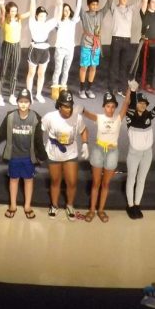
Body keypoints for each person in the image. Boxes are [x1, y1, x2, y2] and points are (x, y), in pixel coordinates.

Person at [0, 88, 46, 219]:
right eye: (21, 101)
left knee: (28, 180)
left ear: (30, 103)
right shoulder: (10, 116)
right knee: (13, 180)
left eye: (26, 102)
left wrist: (42, 155)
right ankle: (13, 205)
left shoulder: (35, 117)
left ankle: (27, 206)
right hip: (14, 156)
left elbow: (39, 139)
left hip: (29, 157)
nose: (23, 104)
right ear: (17, 102)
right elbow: (1, 133)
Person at [123, 80, 155, 219]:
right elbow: (130, 105)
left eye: (145, 104)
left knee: (141, 179)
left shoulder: (149, 116)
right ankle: (130, 206)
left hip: (147, 153)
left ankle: (137, 205)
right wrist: (132, 92)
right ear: (136, 104)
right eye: (140, 103)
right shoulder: (130, 115)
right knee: (131, 178)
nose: (142, 105)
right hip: (134, 154)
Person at [41, 90, 89, 220]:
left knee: (72, 182)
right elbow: (40, 130)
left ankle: (70, 205)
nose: (69, 109)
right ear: (59, 106)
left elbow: (83, 130)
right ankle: (54, 205)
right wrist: (39, 148)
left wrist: (85, 143)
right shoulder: (50, 117)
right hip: (54, 152)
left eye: (70, 106)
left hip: (70, 152)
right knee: (55, 181)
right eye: (66, 106)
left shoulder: (77, 117)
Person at [82, 92, 125, 222]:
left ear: (115, 107)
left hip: (112, 151)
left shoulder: (118, 118)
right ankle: (91, 209)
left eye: (113, 106)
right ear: (103, 107)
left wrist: (130, 90)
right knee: (96, 183)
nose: (110, 109)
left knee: (106, 183)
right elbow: (87, 114)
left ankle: (100, 210)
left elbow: (126, 104)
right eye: (108, 106)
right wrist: (81, 109)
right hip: (98, 150)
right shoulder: (99, 117)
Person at [78, 0, 114, 99]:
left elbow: (108, 5)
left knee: (93, 67)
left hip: (97, 44)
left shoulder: (100, 14)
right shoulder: (84, 15)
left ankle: (89, 89)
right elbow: (78, 7)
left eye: (96, 4)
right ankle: (82, 89)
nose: (95, 6)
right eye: (93, 4)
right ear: (88, 5)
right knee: (84, 67)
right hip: (86, 44)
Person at [25, 0, 61, 103]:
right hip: (34, 50)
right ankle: (28, 93)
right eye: (40, 15)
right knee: (31, 73)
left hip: (45, 51)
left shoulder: (47, 24)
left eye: (44, 15)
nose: (43, 17)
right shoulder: (32, 22)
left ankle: (39, 94)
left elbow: (57, 18)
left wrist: (59, 5)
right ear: (36, 16)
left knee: (41, 74)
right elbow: (31, 12)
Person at [0, 0, 30, 107]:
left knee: (14, 72)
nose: (14, 12)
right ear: (8, 11)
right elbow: (0, 11)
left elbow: (31, 12)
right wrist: (0, 1)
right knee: (3, 71)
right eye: (12, 11)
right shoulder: (5, 19)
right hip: (7, 45)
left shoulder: (19, 19)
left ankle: (11, 95)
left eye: (15, 11)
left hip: (16, 46)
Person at [51, 0, 82, 97]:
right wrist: (58, 6)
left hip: (70, 49)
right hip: (60, 49)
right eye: (64, 10)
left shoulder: (73, 21)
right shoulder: (59, 21)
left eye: (68, 10)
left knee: (66, 70)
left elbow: (78, 7)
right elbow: (56, 15)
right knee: (58, 70)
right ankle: (55, 88)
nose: (67, 11)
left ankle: (63, 87)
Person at [107, 0, 135, 97]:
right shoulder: (114, 8)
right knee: (114, 66)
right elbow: (109, 0)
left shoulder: (130, 9)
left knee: (124, 66)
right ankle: (111, 88)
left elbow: (140, 0)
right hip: (116, 39)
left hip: (127, 40)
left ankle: (122, 88)